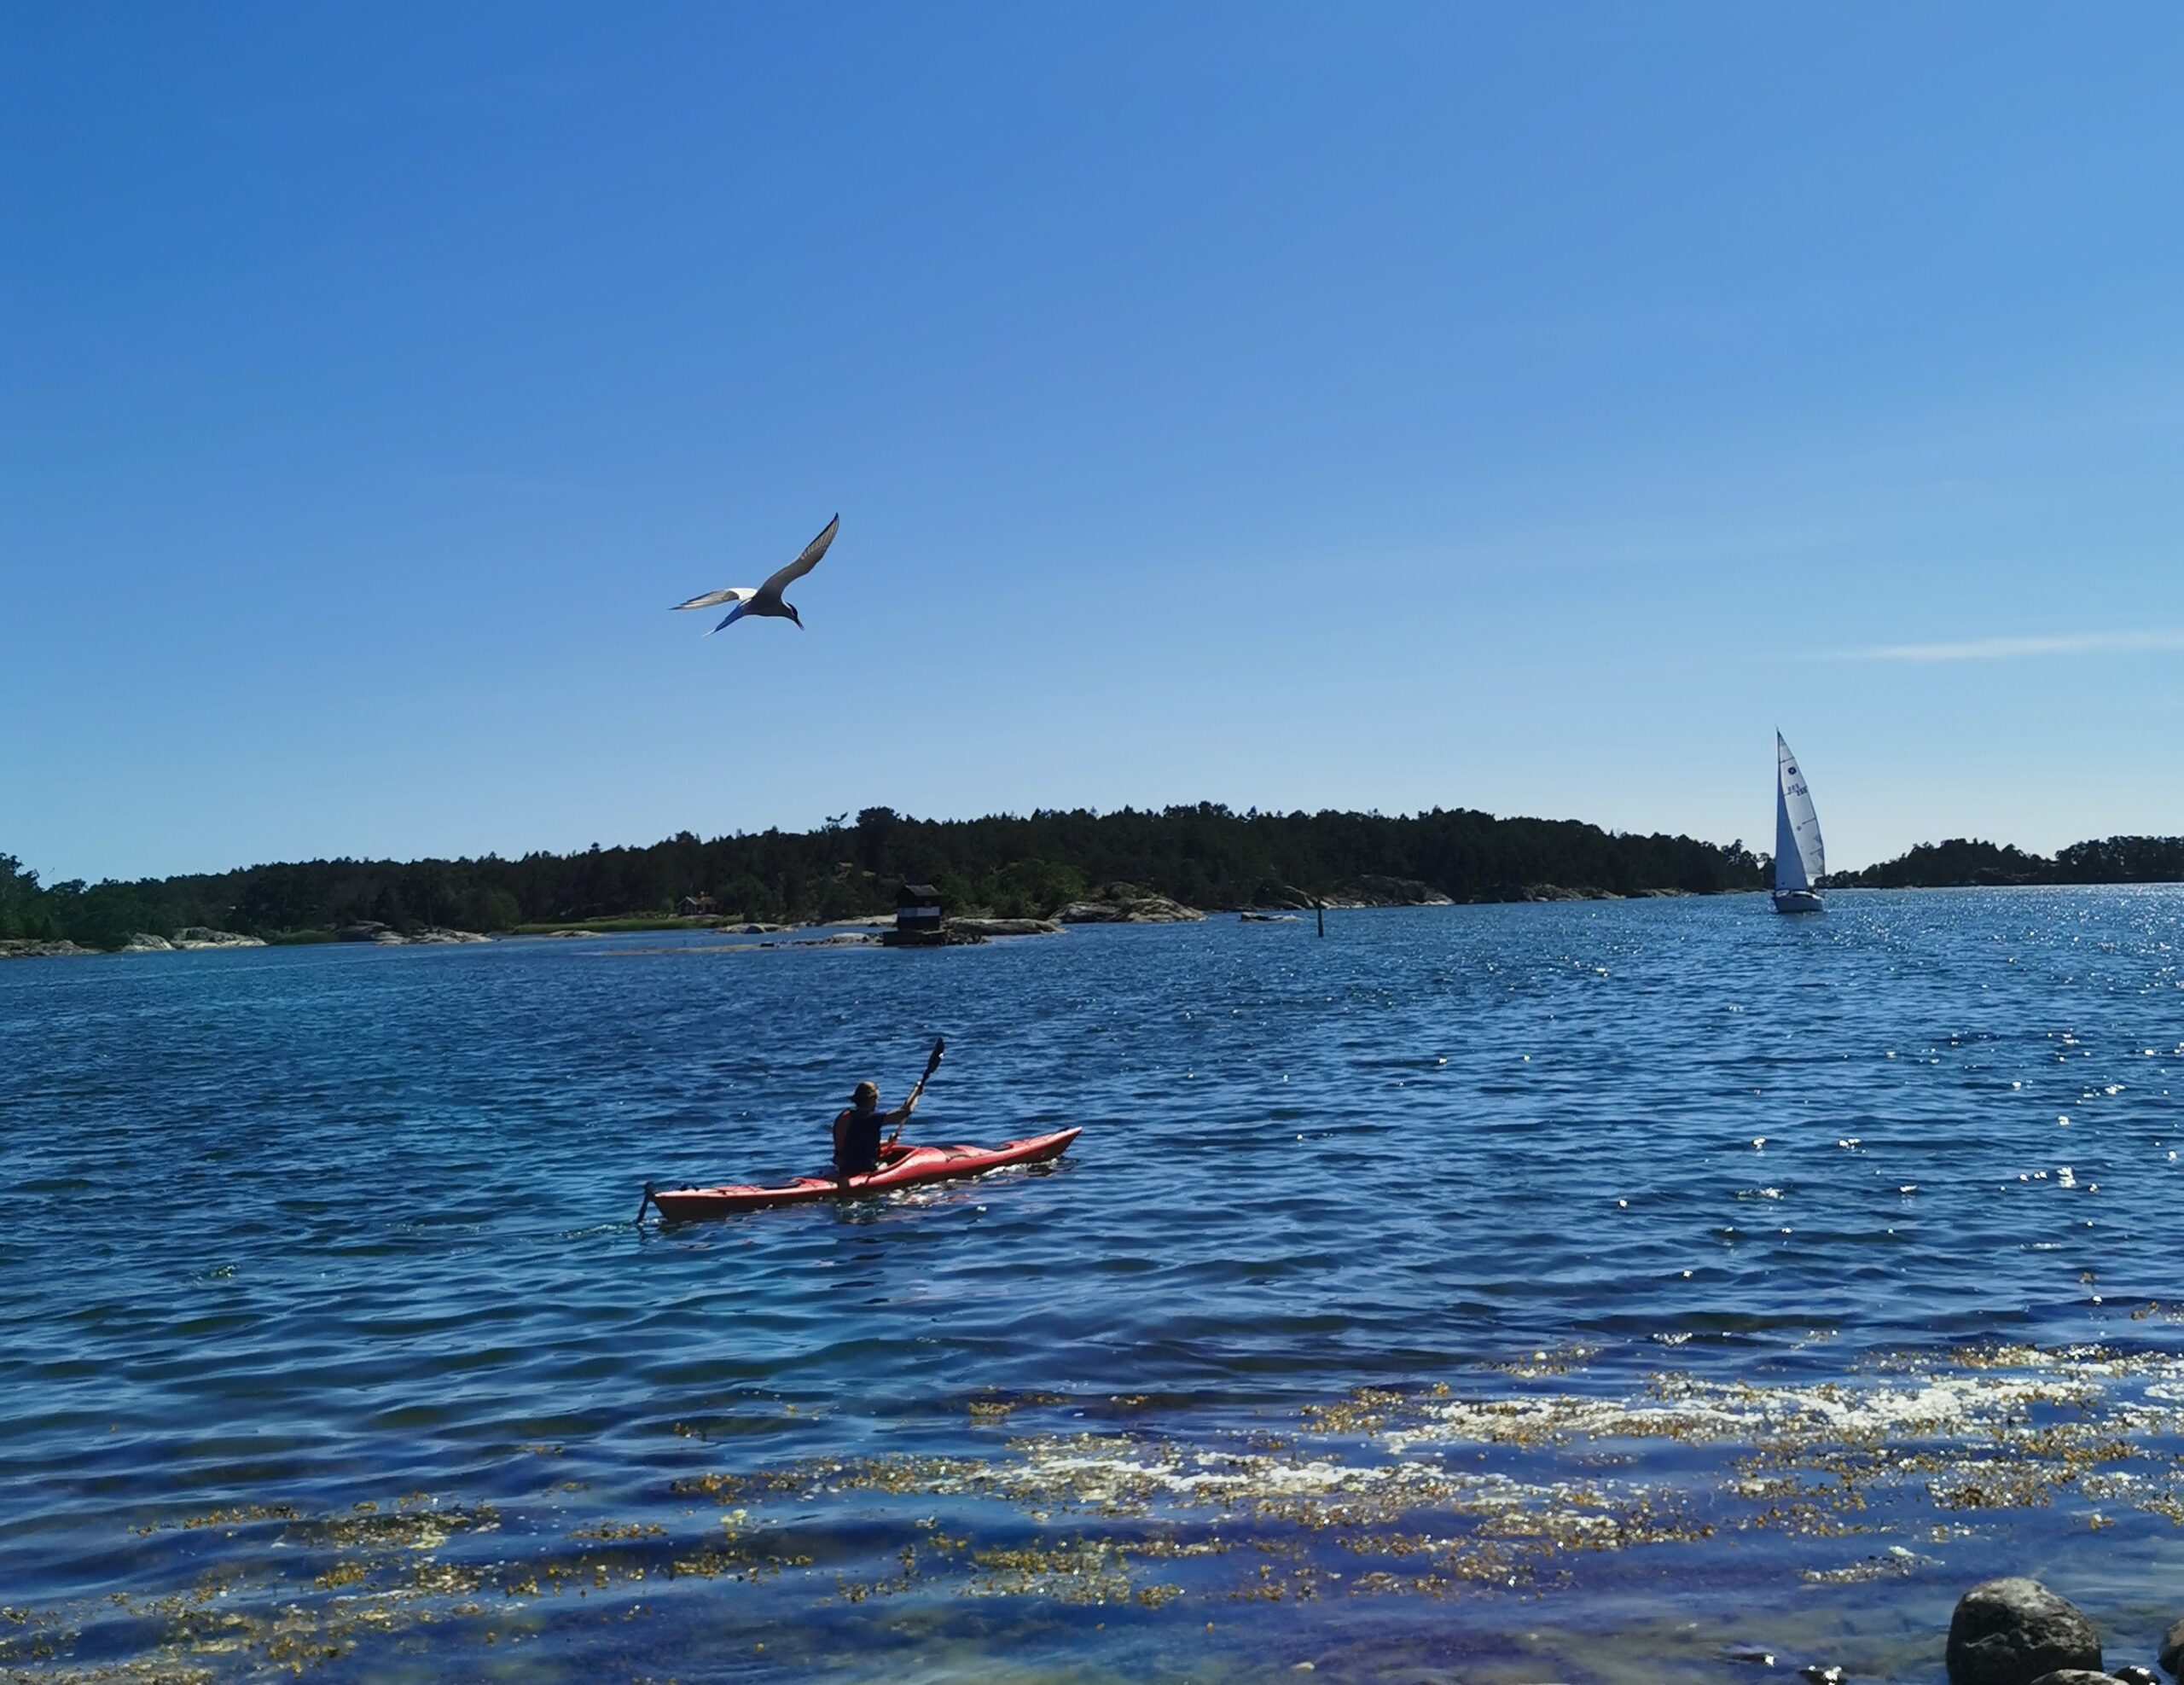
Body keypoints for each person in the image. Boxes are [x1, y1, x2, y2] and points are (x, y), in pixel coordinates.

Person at [832, 1078, 920, 1181]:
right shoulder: (870, 1118)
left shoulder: (846, 1115)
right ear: (872, 1099)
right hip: (862, 1168)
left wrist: (888, 1142)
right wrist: (916, 1091)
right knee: (885, 1164)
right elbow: (905, 1112)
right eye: (877, 1099)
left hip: (844, 1167)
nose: (877, 1103)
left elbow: (855, 1143)